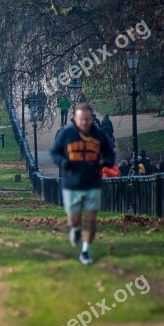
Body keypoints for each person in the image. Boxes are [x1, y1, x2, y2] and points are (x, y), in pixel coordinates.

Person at [50, 103, 115, 266]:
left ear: (91, 118)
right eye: (81, 120)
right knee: (73, 220)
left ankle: (85, 251)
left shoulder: (99, 135)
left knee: (91, 219)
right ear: (75, 119)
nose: (84, 123)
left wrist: (105, 161)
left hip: (92, 182)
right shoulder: (66, 134)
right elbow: (54, 152)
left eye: (87, 119)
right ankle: (75, 229)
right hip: (71, 183)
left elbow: (110, 154)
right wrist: (63, 162)